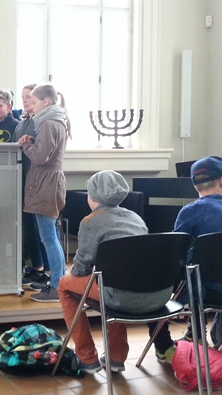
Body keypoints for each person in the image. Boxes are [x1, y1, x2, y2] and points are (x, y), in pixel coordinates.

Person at [148, 156, 222, 362]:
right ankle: (195, 334)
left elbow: (176, 252)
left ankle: (175, 342)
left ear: (195, 186)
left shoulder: (190, 211)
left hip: (215, 292)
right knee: (207, 264)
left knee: (181, 267)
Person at [58, 170, 161, 374]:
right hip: (155, 294)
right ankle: (116, 357)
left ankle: (86, 357)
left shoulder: (91, 221)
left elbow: (80, 268)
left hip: (120, 296)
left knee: (64, 285)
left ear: (93, 197)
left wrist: (75, 271)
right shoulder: (135, 218)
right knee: (114, 280)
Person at [18, 83, 67, 302]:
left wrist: (25, 145)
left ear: (45, 102)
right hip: (49, 182)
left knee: (48, 237)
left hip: (45, 184)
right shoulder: (56, 121)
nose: (32, 105)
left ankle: (57, 287)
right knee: (50, 236)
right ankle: (59, 283)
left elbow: (40, 157)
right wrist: (32, 140)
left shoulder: (47, 123)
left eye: (35, 101)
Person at [13, 84, 50, 286]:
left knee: (41, 229)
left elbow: (42, 151)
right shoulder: (21, 124)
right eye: (23, 97)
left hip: (37, 182)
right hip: (21, 181)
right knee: (28, 227)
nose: (25, 100)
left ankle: (49, 272)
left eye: (29, 97)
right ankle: (37, 267)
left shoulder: (43, 123)